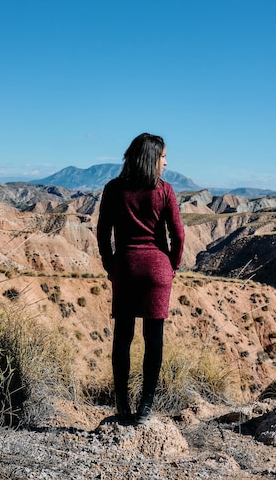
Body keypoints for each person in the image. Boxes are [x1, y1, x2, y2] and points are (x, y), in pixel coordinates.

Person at [96, 132, 185, 424]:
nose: (166, 162)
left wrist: (111, 266)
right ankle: (146, 405)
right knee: (153, 338)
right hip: (157, 271)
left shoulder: (113, 189)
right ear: (151, 158)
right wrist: (172, 265)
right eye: (163, 157)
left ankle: (122, 403)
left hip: (126, 267)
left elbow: (102, 232)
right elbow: (178, 234)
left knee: (123, 336)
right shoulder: (165, 191)